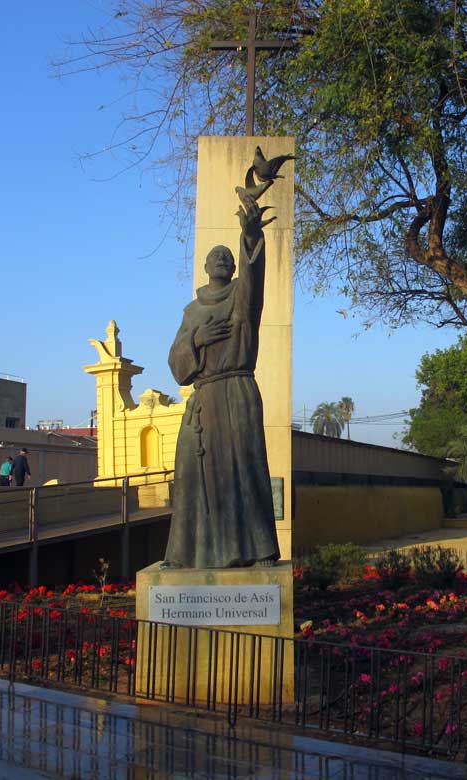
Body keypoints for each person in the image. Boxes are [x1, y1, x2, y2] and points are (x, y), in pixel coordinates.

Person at [163, 169, 285, 569]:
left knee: (245, 470)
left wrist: (249, 230)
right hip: (205, 398)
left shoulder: (242, 296)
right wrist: (196, 340)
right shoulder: (191, 311)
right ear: (204, 266)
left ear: (233, 267)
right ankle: (188, 555)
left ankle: (259, 550)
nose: (221, 257)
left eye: (227, 255)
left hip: (236, 392)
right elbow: (176, 363)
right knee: (193, 475)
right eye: (215, 254)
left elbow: (255, 269)